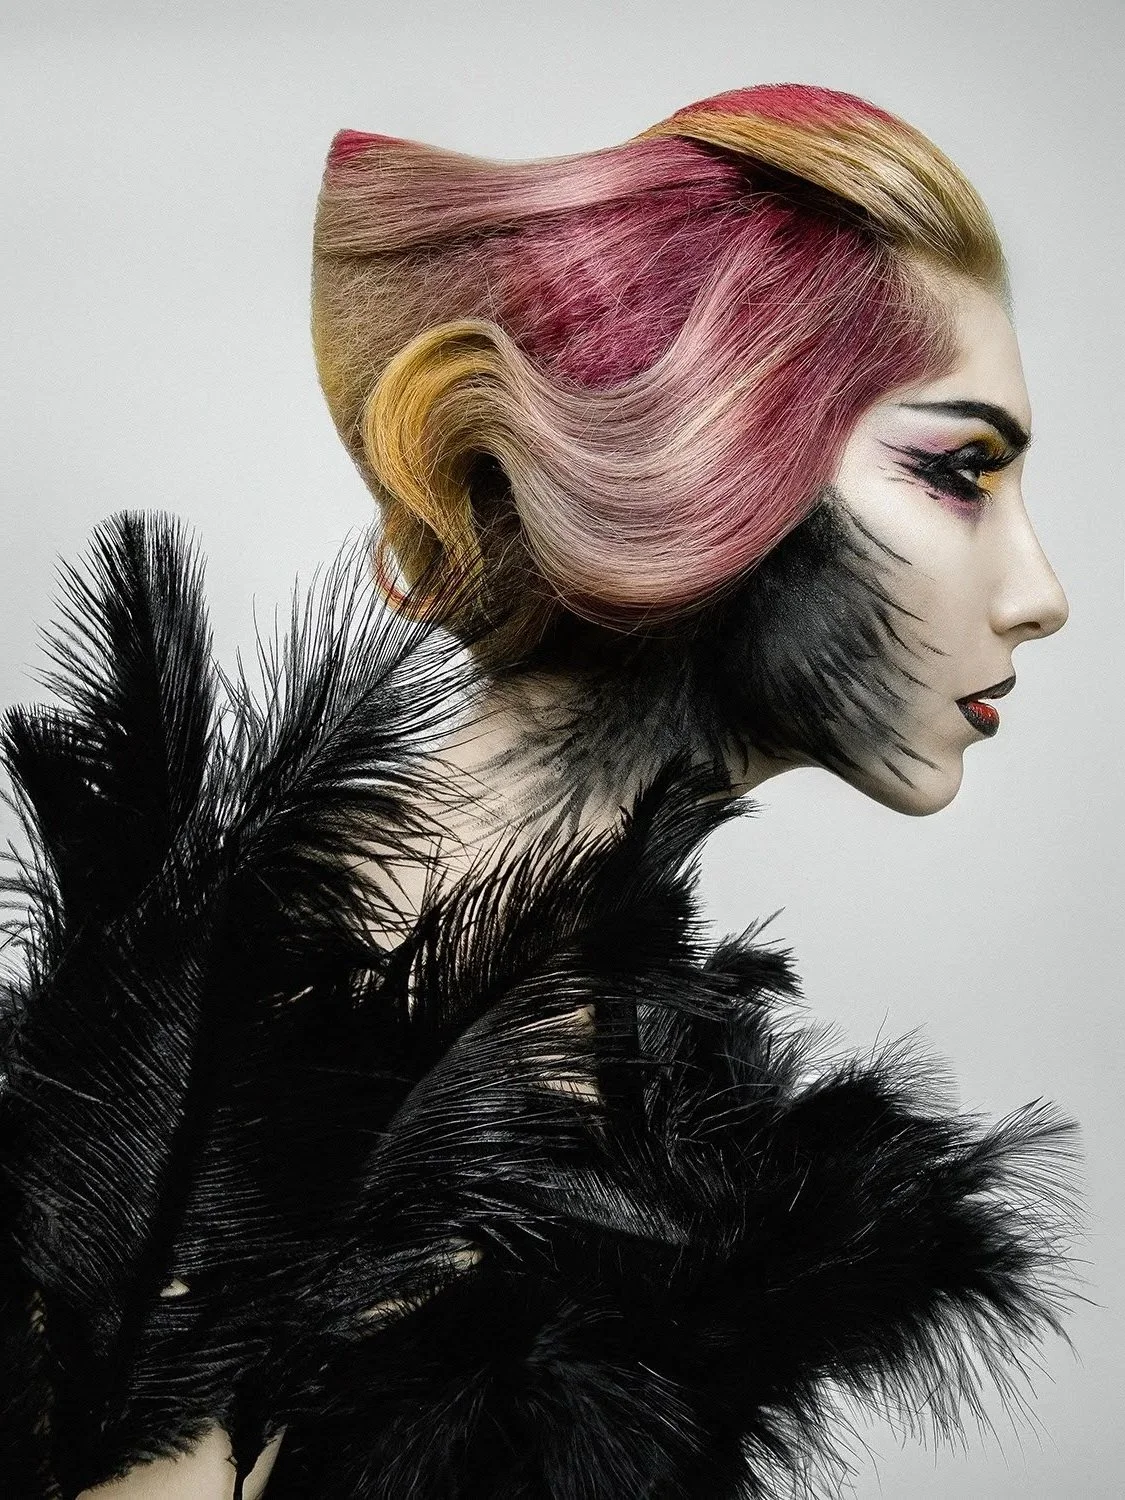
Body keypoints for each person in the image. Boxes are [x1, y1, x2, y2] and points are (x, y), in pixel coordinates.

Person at [0, 83, 1077, 1499]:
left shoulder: (583, 1003)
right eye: (956, 470)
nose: (1040, 594)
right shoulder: (326, 1004)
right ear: (718, 456)